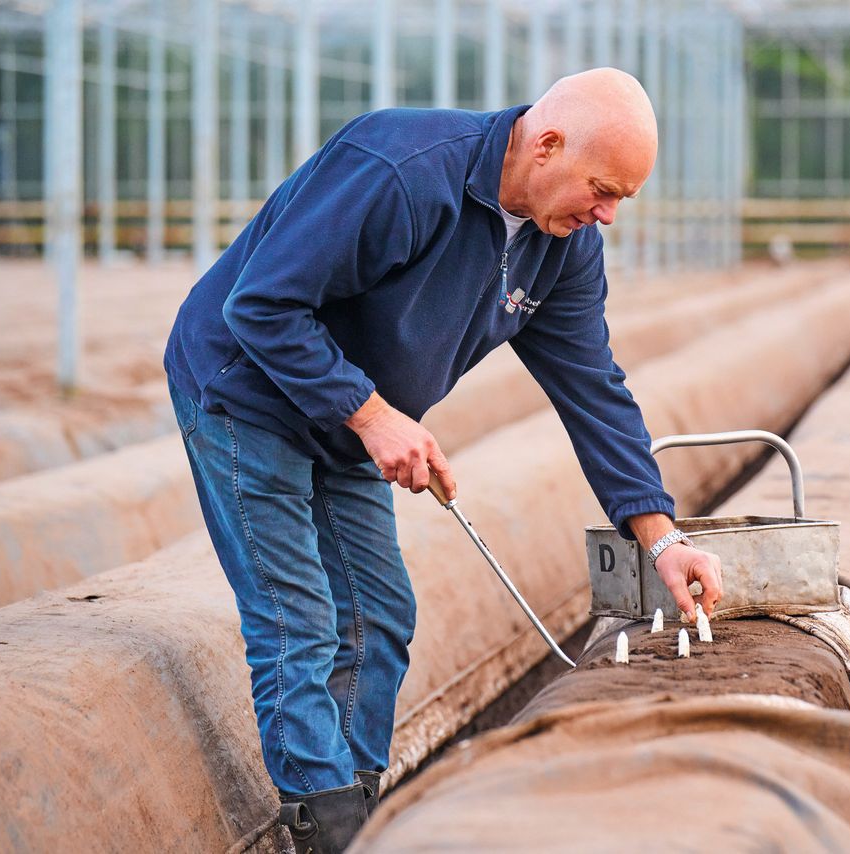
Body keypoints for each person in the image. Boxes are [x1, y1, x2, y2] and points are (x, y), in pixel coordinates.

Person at [163, 67, 723, 853]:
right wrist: (372, 414)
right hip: (243, 391)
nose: (607, 214)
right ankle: (323, 829)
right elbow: (259, 304)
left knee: (380, 614)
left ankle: (354, 815)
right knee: (298, 617)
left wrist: (662, 540)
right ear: (547, 144)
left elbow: (592, 389)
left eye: (622, 198)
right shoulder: (401, 170)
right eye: (603, 189)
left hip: (348, 419)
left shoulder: (563, 247)